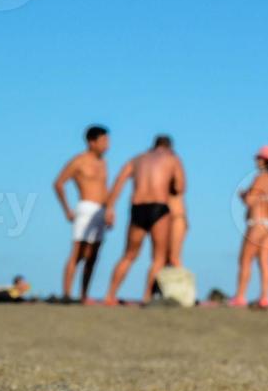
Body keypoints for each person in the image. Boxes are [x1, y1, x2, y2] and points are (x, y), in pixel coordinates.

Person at [102, 135, 186, 306]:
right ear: (169, 147)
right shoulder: (172, 159)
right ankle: (147, 297)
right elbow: (180, 187)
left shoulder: (137, 159)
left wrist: (110, 208)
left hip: (137, 208)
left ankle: (110, 295)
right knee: (158, 258)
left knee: (128, 255)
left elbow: (119, 181)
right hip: (158, 207)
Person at [52, 125, 111, 301]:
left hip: (101, 210)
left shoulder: (103, 163)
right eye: (103, 141)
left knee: (93, 255)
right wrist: (67, 210)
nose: (107, 145)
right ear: (91, 142)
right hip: (85, 208)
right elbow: (59, 183)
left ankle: (84, 294)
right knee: (78, 252)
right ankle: (67, 293)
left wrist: (109, 210)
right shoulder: (79, 161)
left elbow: (105, 188)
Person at [229, 146, 268, 309]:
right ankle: (265, 297)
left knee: (245, 259)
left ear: (264, 160)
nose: (256, 161)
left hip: (258, 223)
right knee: (265, 261)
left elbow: (250, 202)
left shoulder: (261, 178)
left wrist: (243, 195)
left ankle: (240, 296)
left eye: (258, 158)